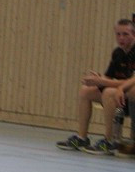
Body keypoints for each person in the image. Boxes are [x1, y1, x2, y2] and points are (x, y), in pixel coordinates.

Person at [55, 18, 135, 155]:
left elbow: (132, 81)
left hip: (130, 95)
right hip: (121, 95)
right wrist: (98, 79)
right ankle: (81, 138)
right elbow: (109, 78)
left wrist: (104, 82)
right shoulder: (118, 53)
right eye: (118, 34)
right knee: (86, 91)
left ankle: (110, 141)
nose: (121, 38)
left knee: (109, 92)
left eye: (125, 34)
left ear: (134, 34)